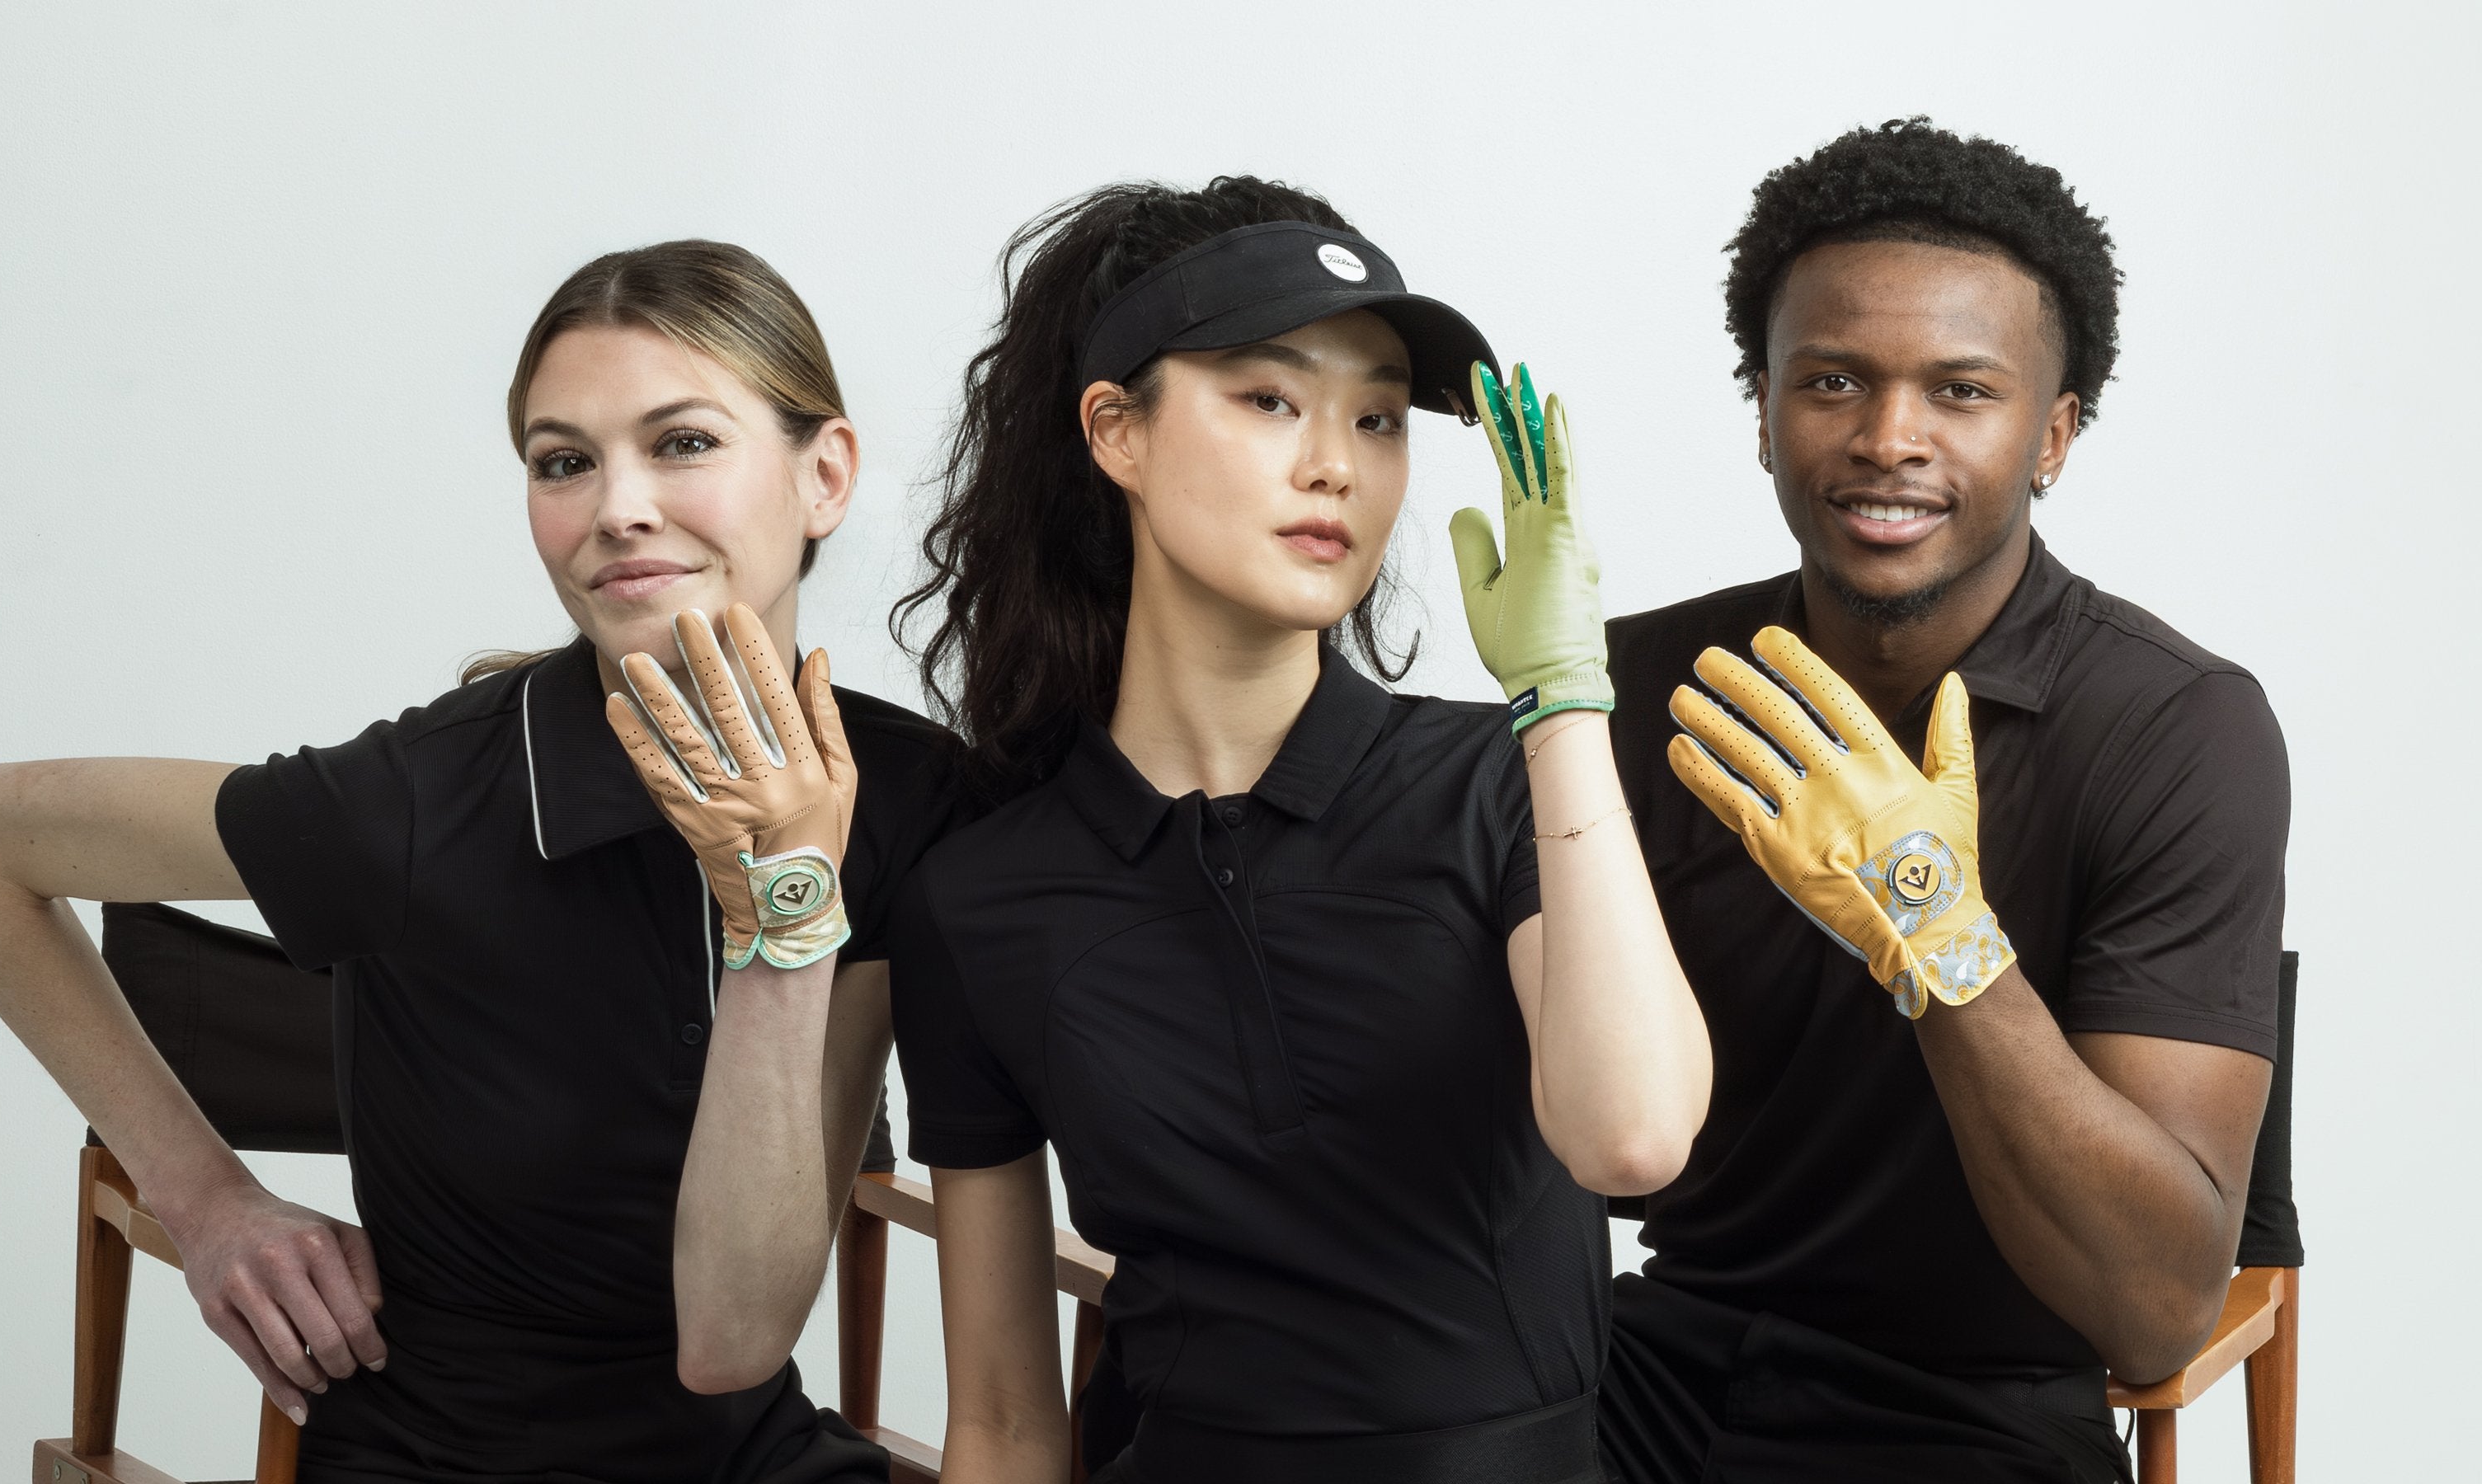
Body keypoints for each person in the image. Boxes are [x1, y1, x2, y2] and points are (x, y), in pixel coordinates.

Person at [0, 240, 962, 1483]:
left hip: (750, 1452)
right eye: (564, 462)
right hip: (448, 1457)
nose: (617, 507)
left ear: (824, 473)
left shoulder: (911, 796)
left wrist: (786, 871)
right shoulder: (414, 802)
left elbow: (732, 1339)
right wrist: (205, 1200)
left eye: (681, 443)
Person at [885, 176, 1713, 1484]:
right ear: (1118, 432)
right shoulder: (981, 898)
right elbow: (998, 1418)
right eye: (1269, 400)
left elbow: (1635, 1139)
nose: (1335, 462)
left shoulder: (1499, 783)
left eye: (1378, 417)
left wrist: (1560, 702)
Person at [1593, 120, 2291, 1483]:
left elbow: (2153, 1304)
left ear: (2055, 432)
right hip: (1646, 1372)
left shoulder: (2175, 726)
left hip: (1979, 1413)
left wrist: (1933, 925)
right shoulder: (1649, 682)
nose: (1888, 439)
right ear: (1764, 411)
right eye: (1834, 380)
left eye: (1962, 392)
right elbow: (1558, 1142)